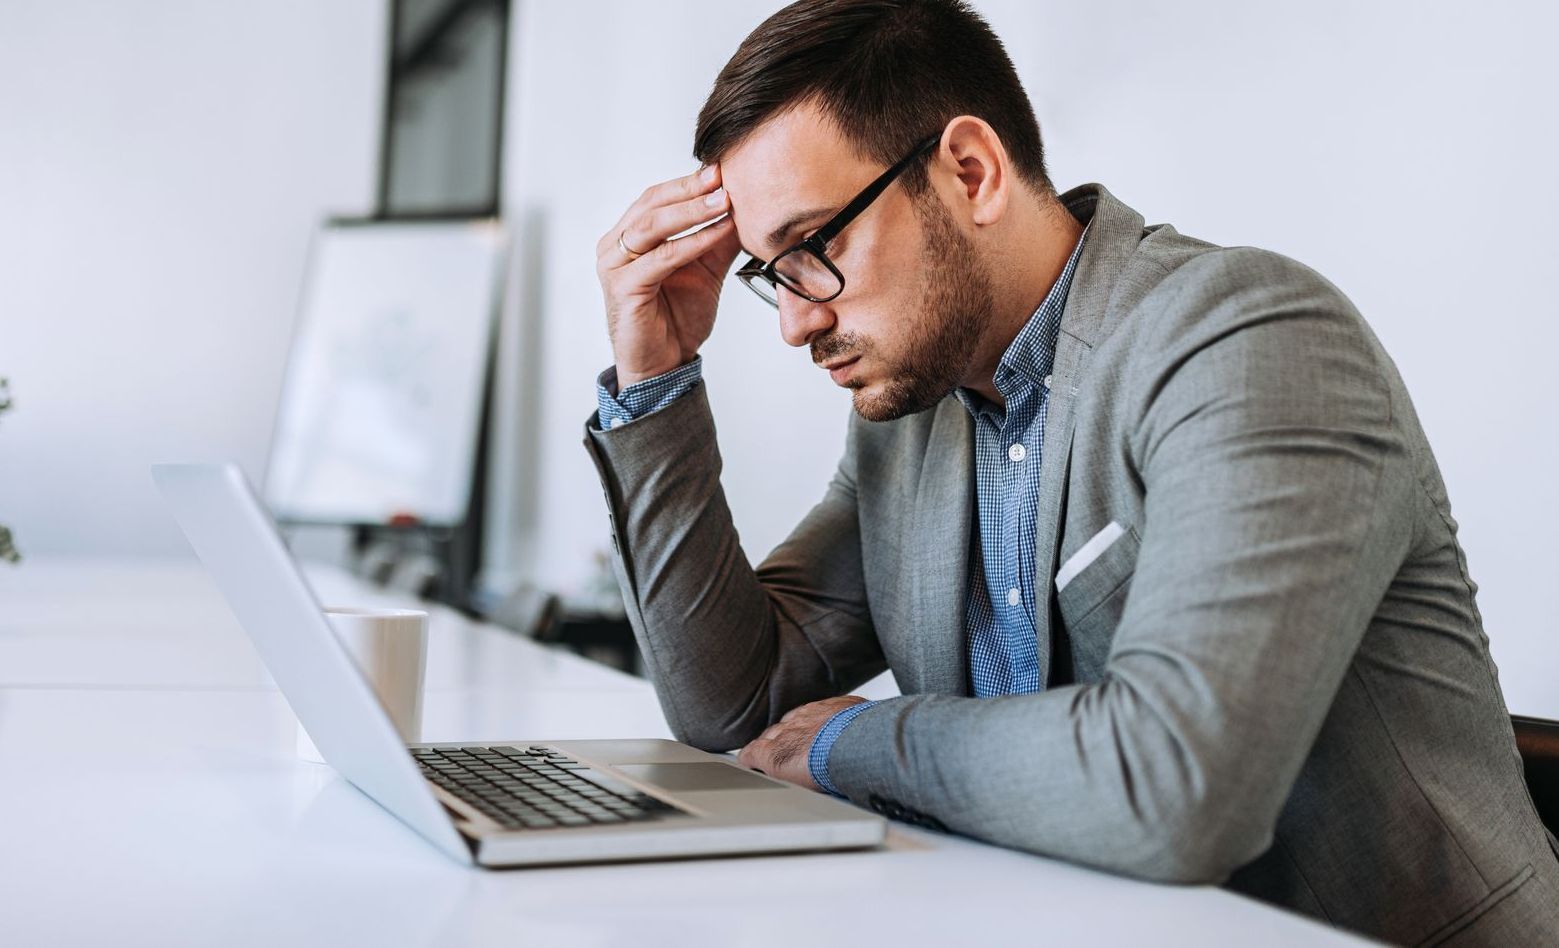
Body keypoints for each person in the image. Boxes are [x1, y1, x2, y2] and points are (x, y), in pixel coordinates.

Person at [582, 1, 1559, 943]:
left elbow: (1173, 787)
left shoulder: (1245, 337)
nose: (796, 320)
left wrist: (849, 742)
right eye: (772, 275)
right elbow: (733, 700)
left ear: (968, 171)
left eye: (812, 248)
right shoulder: (907, 421)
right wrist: (654, 370)